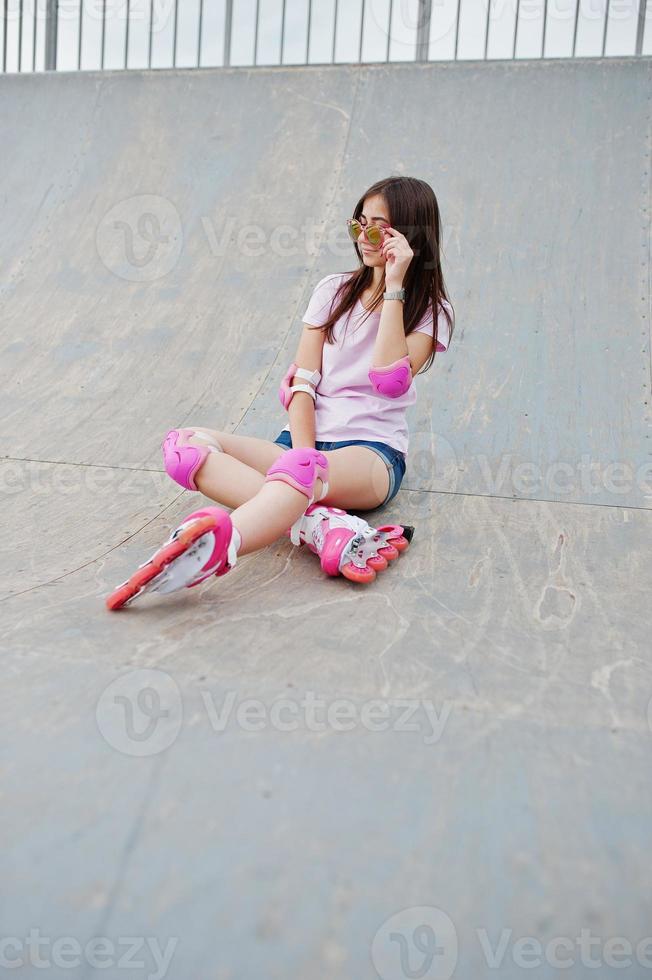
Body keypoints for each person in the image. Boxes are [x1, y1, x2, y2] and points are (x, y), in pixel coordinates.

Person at [105, 176, 454, 610]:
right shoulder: (332, 291)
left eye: (377, 228)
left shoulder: (430, 310)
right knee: (185, 448)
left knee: (298, 473)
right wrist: (302, 459)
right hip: (300, 444)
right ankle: (319, 526)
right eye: (357, 224)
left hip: (371, 453)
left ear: (409, 236)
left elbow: (389, 379)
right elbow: (303, 385)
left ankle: (218, 550)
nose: (362, 238)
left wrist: (396, 286)